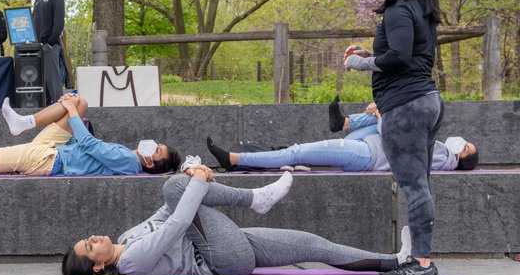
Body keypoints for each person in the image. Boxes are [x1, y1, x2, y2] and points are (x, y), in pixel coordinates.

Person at [61, 166, 416, 275]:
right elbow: (179, 222)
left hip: (225, 239)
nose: (93, 237)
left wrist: (193, 176)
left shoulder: (126, 237)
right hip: (220, 260)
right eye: (89, 246)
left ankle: (396, 261)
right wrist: (198, 181)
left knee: (312, 244)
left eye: (87, 237)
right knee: (176, 186)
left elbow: (165, 213)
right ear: (97, 265)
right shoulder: (131, 262)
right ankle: (254, 199)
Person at [343, 0, 445, 275]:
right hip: (426, 102)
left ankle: (421, 263)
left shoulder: (398, 9)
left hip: (406, 106)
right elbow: (408, 55)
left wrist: (361, 63)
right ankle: (419, 258)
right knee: (421, 185)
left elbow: (399, 57)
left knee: (414, 187)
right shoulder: (421, 10)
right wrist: (371, 53)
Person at [0, 93, 181, 178]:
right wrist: (71, 108)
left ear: (151, 165)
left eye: (157, 151)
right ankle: (23, 122)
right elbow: (86, 147)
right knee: (80, 101)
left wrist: (72, 115)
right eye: (158, 145)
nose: (154, 146)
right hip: (55, 150)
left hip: (47, 159)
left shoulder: (126, 159)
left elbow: (89, 144)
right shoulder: (128, 160)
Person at [205, 98, 479, 173]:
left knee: (297, 151)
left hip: (367, 155)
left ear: (460, 156)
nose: (462, 141)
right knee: (380, 112)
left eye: (466, 146)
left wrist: (384, 115)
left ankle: (235, 158)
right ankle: (344, 121)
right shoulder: (441, 150)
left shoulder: (441, 154)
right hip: (369, 143)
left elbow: (398, 143)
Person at [30, 0, 66, 92]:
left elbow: (59, 22)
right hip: (36, 46)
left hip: (49, 46)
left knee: (53, 81)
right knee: (38, 80)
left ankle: (61, 109)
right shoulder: (37, 1)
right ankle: (44, 110)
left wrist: (50, 43)